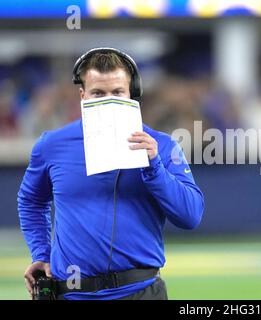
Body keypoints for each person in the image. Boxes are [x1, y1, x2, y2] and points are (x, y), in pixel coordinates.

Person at [17, 47, 204, 300]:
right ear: (83, 96)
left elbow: (190, 216)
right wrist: (41, 253)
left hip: (140, 292)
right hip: (72, 294)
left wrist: (154, 166)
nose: (108, 100)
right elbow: (31, 201)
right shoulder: (51, 145)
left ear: (132, 95)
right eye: (98, 94)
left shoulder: (162, 145)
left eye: (117, 92)